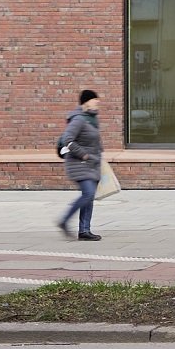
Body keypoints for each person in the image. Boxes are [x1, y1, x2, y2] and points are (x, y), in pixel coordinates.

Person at [55, 89, 104, 242]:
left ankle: (84, 230)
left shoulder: (92, 119)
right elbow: (67, 140)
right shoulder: (79, 119)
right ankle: (64, 220)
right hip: (79, 163)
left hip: (92, 163)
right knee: (88, 193)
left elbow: (93, 142)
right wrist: (83, 154)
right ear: (86, 101)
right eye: (94, 99)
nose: (97, 101)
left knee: (89, 197)